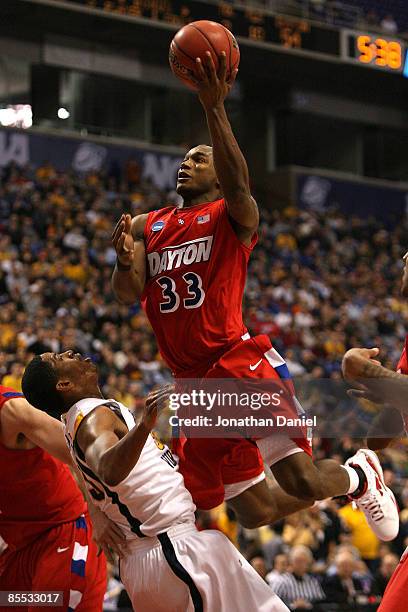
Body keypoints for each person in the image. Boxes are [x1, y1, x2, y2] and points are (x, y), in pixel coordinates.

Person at [111, 50, 398, 541]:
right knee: (253, 510)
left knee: (301, 480)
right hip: (193, 382)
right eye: (184, 158)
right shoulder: (149, 225)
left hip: (236, 364)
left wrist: (213, 107)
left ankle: (360, 475)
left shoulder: (231, 215)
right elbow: (126, 293)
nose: (187, 163)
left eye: (199, 159)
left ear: (218, 174)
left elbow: (241, 182)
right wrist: (122, 259)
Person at [22, 350, 291, 612]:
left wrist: (95, 512)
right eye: (60, 358)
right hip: (170, 550)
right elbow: (108, 469)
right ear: (64, 384)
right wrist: (144, 425)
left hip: (155, 557)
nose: (69, 352)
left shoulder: (75, 421)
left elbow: (89, 470)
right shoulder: (94, 417)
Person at [0, 383, 122, 611]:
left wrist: (97, 513)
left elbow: (78, 450)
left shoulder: (12, 412)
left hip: (64, 533)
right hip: (19, 548)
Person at [272, 545, 326, 610]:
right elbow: (272, 604)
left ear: (308, 563)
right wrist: (293, 606)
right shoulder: (280, 581)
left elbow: (321, 602)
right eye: (298, 561)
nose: (301, 565)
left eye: (304, 561)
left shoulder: (313, 581)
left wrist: (308, 605)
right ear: (291, 562)